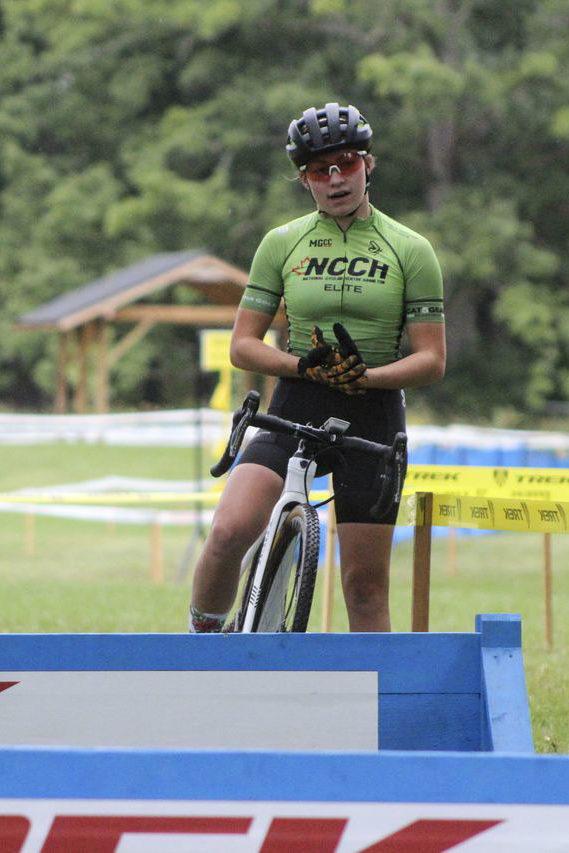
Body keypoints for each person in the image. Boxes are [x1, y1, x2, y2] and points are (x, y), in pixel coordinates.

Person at [188, 102, 446, 633]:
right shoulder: (282, 243)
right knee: (228, 531)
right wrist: (302, 368)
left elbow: (431, 359)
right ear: (304, 179)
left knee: (364, 587)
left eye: (346, 163)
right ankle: (201, 645)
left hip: (372, 412)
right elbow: (243, 345)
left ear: (368, 165)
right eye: (317, 170)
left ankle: (377, 706)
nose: (334, 179)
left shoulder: (411, 250)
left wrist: (369, 378)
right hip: (298, 399)